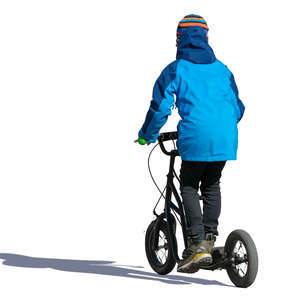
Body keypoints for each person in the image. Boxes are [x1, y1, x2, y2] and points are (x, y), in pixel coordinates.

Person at [135, 14, 245, 273]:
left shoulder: (177, 69)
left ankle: (195, 244)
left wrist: (147, 135)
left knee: (187, 184)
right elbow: (238, 107)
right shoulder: (222, 69)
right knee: (211, 184)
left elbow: (160, 106)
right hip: (225, 137)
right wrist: (221, 126)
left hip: (196, 136)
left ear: (179, 39)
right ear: (206, 38)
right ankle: (210, 238)